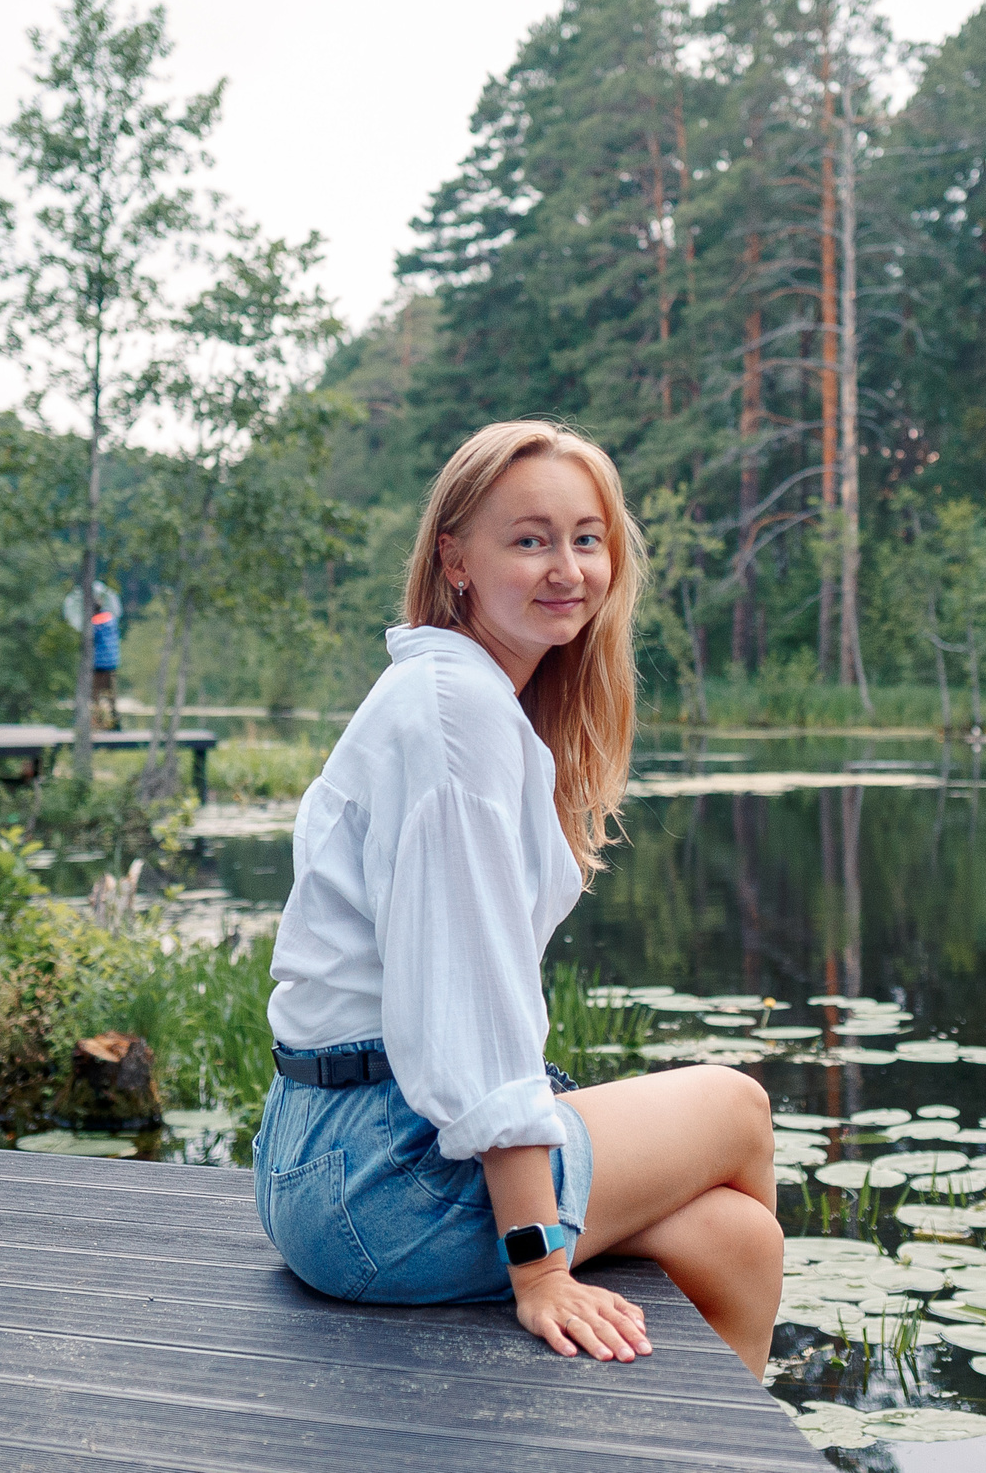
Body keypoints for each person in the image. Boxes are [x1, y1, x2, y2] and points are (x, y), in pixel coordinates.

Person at [254, 421, 781, 1374]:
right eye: (530, 539)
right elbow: (467, 1012)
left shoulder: (458, 693)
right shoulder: (456, 717)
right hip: (380, 1178)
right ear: (456, 558)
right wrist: (539, 1268)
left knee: (735, 1241)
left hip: (326, 1155)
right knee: (738, 1107)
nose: (567, 568)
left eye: (587, 538)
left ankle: (717, 1434)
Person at [89, 605, 121, 730]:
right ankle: (115, 720)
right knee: (111, 693)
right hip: (112, 662)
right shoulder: (111, 619)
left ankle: (98, 721)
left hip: (98, 663)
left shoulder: (94, 623)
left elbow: (91, 639)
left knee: (95, 694)